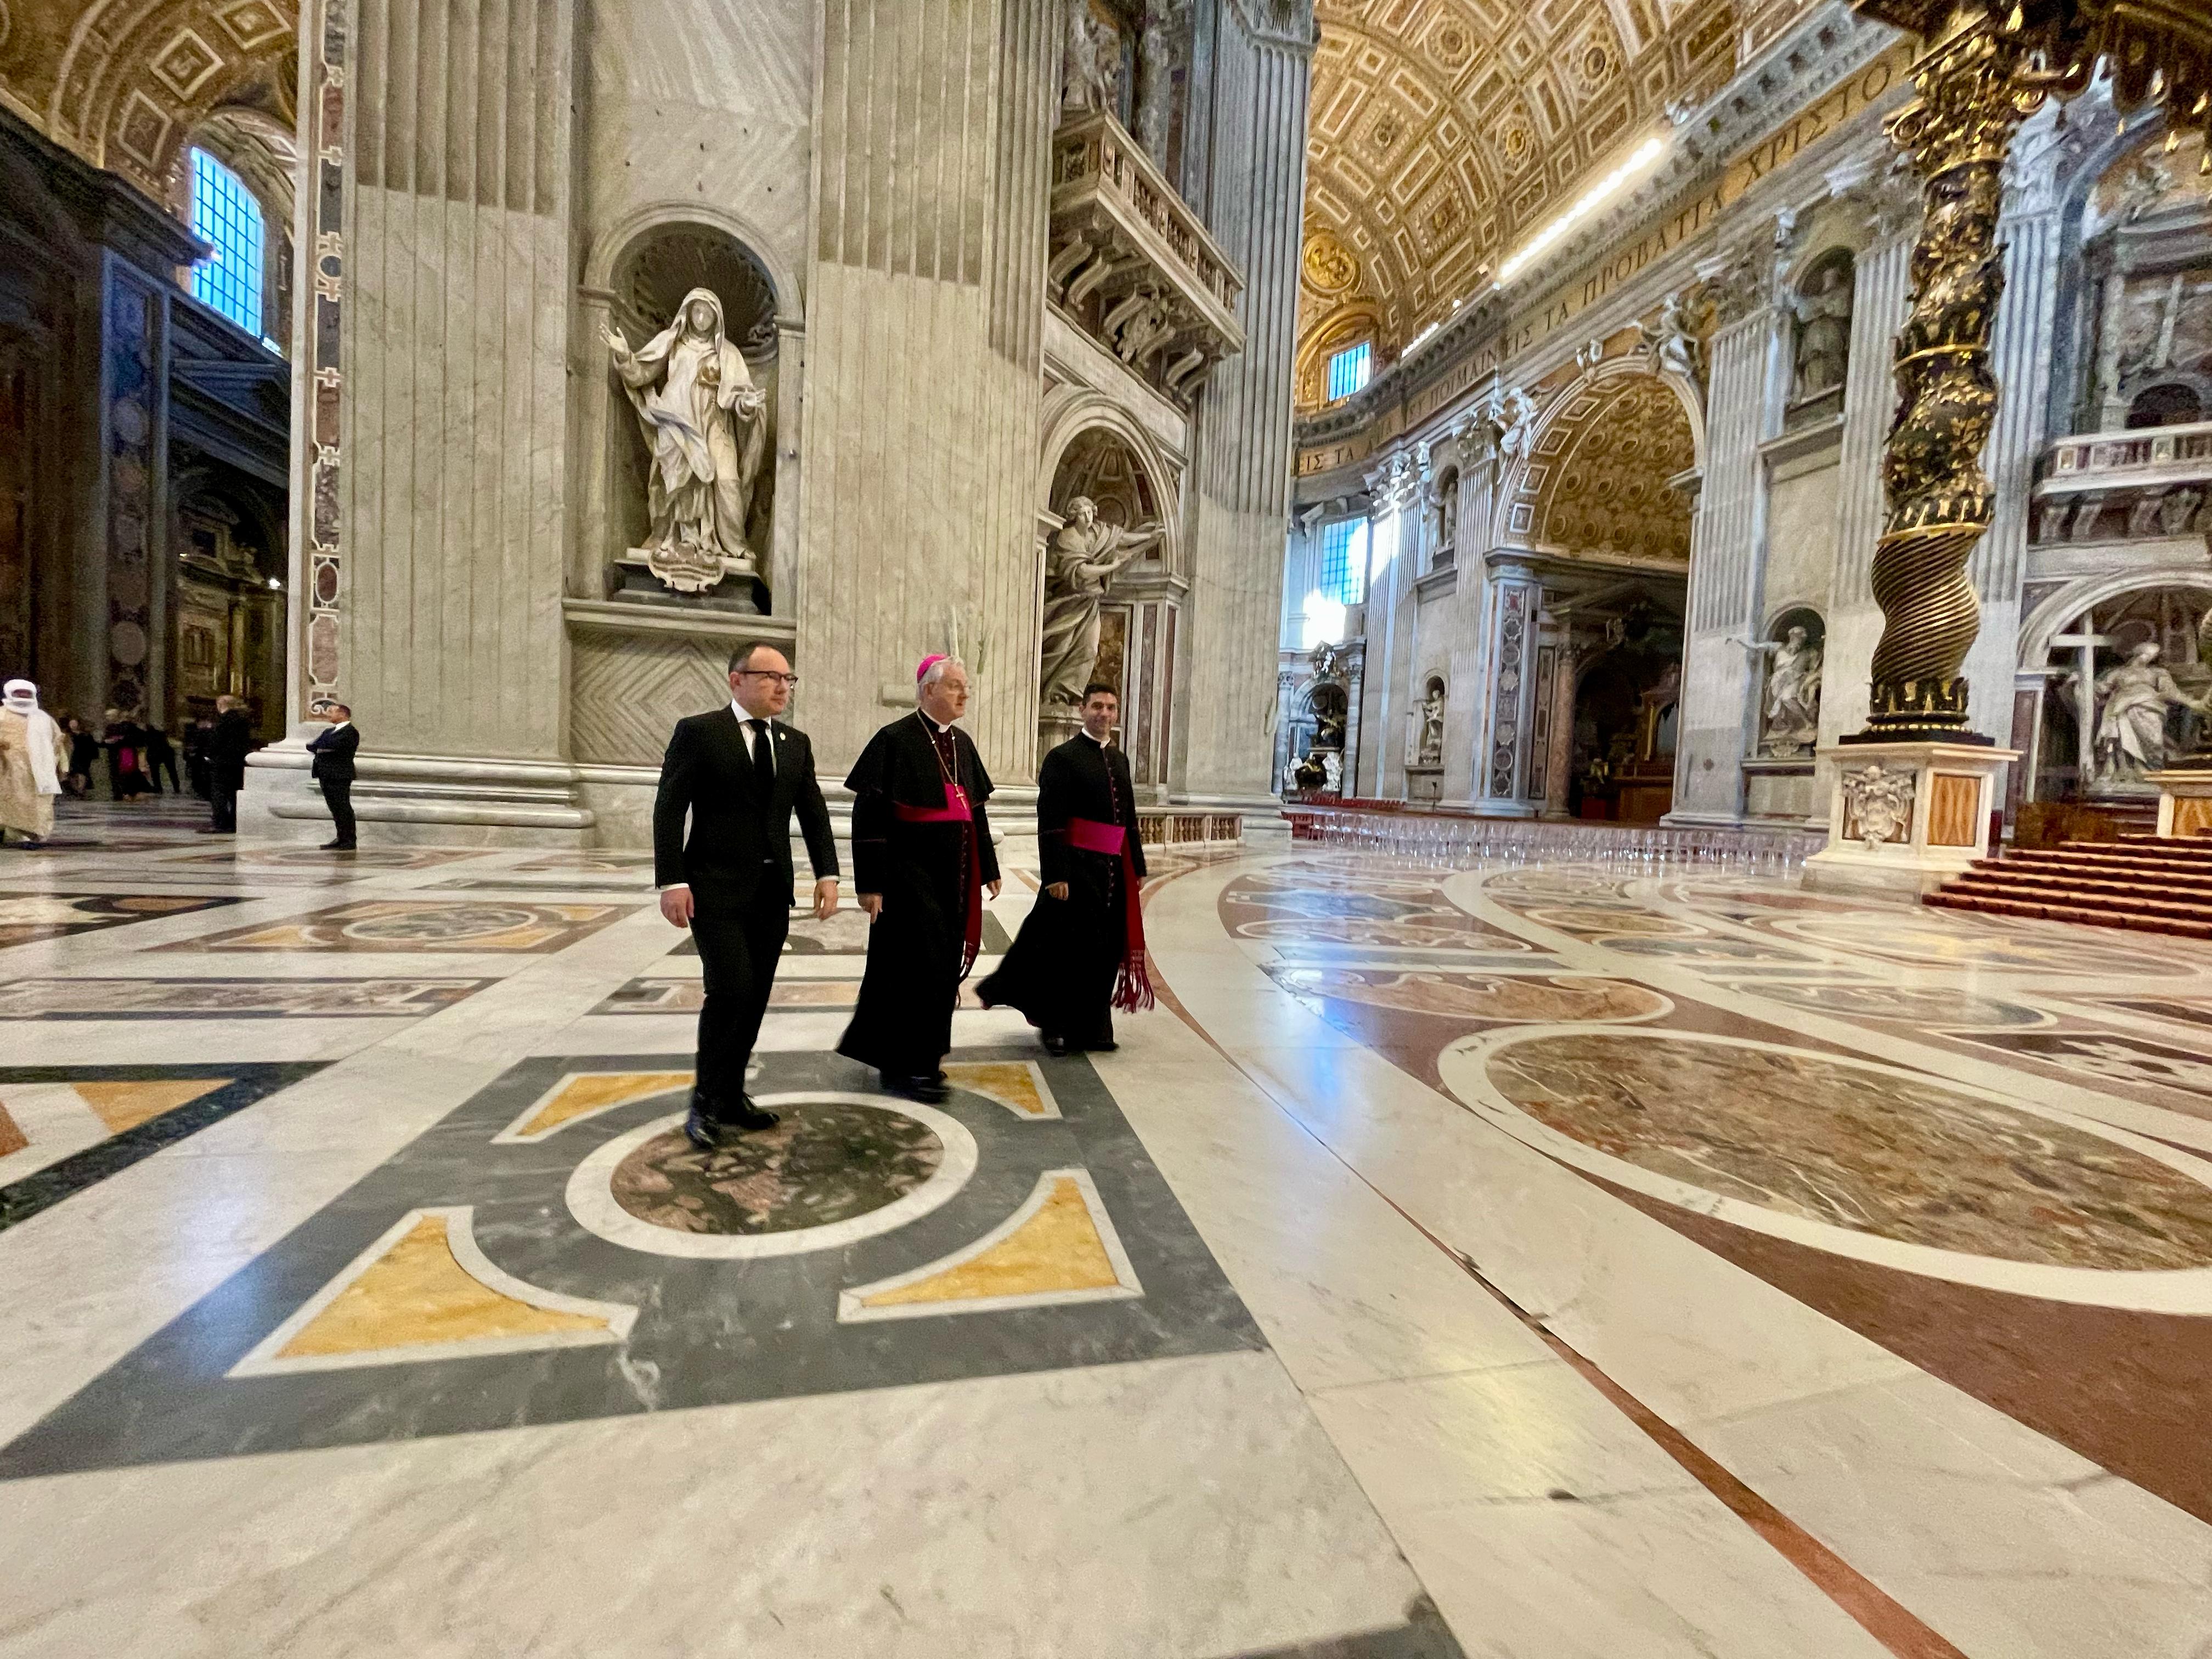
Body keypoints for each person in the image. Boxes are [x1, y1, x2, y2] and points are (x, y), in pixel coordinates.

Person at [653, 642, 840, 1149]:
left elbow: (813, 811)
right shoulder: (700, 733)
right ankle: (706, 1101)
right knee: (730, 989)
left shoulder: (794, 742)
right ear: (735, 680)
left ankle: (732, 1096)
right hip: (713, 888)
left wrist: (829, 873)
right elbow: (669, 808)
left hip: (771, 891)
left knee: (755, 996)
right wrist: (672, 881)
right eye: (770, 677)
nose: (782, 687)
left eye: (788, 679)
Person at [838, 656, 1002, 1103]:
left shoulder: (963, 745)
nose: (964, 694)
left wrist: (989, 867)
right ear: (928, 690)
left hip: (955, 878)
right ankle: (900, 1065)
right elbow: (868, 813)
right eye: (954, 686)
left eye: (965, 687)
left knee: (940, 968)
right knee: (910, 969)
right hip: (907, 878)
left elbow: (975, 812)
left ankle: (926, 1059)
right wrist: (870, 884)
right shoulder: (894, 739)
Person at [978, 682, 1151, 1055]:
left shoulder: (1119, 760)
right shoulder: (1063, 757)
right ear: (1081, 709)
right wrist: (1055, 875)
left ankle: (1093, 1027)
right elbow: (1051, 821)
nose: (1104, 714)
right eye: (1097, 706)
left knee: (1104, 951)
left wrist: (1136, 865)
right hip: (1075, 871)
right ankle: (1056, 1027)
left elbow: (1129, 820)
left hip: (1112, 872)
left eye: (1110, 708)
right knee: (1065, 951)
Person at [0, 679, 69, 847]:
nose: (22, 696)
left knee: (36, 803)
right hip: (6, 769)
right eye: (19, 693)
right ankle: (9, 833)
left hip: (38, 771)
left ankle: (31, 833)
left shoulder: (44, 718)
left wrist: (63, 765)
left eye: (26, 693)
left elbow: (57, 742)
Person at [306, 702, 360, 849]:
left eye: (332, 711)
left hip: (340, 774)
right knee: (334, 808)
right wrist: (324, 748)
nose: (328, 714)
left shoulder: (350, 732)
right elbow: (313, 746)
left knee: (343, 807)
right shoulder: (328, 732)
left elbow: (338, 747)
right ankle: (340, 837)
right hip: (325, 773)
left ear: (342, 714)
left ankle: (349, 840)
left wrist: (324, 748)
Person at [205, 695, 256, 833]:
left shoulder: (223, 720)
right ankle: (233, 823)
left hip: (221, 762)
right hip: (238, 762)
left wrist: (209, 755)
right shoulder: (244, 720)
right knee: (234, 794)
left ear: (221, 705)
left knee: (219, 793)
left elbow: (216, 741)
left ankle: (220, 823)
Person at [143, 721, 179, 795]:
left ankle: (158, 788)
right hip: (166, 751)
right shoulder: (161, 734)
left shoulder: (146, 735)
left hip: (153, 753)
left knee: (155, 772)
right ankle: (176, 787)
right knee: (172, 771)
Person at [65, 718, 96, 798]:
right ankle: (75, 790)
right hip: (72, 755)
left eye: (74, 723)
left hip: (83, 756)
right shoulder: (68, 735)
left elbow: (91, 745)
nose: (73, 725)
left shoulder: (85, 735)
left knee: (82, 773)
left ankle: (81, 790)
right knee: (72, 773)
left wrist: (92, 756)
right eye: (71, 723)